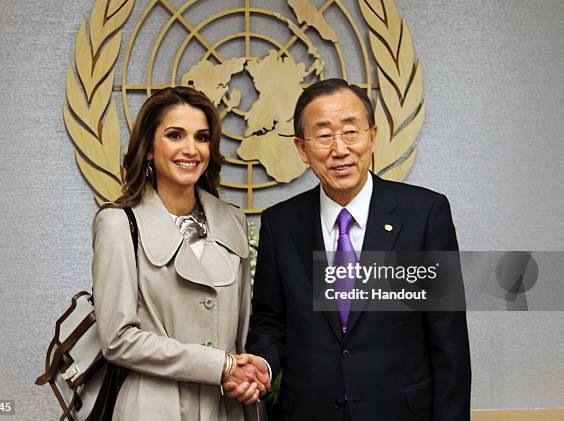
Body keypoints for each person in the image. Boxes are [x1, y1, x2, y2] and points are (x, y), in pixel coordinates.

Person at [231, 78, 471, 420]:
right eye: (324, 135)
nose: (339, 149)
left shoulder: (424, 215)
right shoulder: (280, 224)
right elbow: (271, 320)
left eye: (350, 132)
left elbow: (449, 340)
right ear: (302, 148)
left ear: (372, 136)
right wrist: (264, 364)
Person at [91, 86, 270, 421]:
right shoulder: (118, 223)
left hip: (226, 407)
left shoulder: (232, 219)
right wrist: (221, 365)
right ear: (148, 148)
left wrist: (247, 376)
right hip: (154, 407)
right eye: (175, 135)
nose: (191, 149)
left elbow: (242, 333)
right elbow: (117, 339)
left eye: (201, 137)